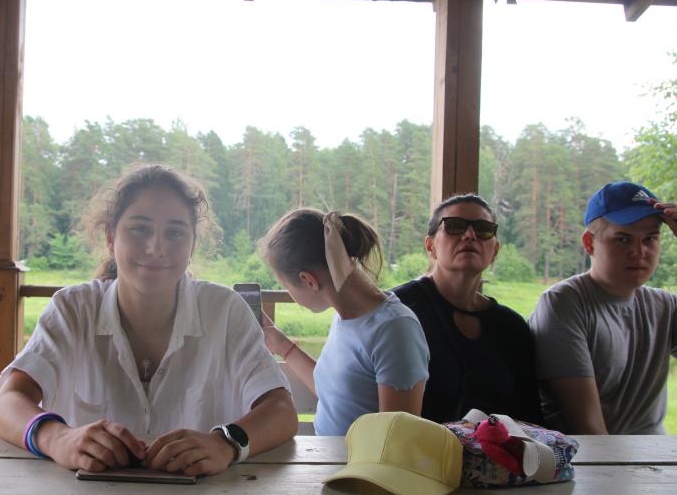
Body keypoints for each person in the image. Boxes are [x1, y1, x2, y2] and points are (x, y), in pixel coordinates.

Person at [0, 164, 297, 476]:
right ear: (111, 238)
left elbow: (280, 409)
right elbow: (8, 402)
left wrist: (226, 443)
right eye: (140, 229)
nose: (156, 248)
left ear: (192, 245)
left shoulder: (225, 311)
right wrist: (58, 438)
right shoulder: (73, 309)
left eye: (175, 233)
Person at [257, 208, 428, 436]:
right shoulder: (344, 317)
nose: (290, 294)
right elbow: (338, 395)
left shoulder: (395, 330)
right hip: (328, 456)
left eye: (286, 286)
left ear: (308, 280)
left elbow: (397, 439)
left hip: (356, 461)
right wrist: (281, 345)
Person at [529, 181, 677, 434]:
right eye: (623, 239)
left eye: (650, 239)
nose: (639, 252)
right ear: (589, 243)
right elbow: (588, 427)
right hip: (592, 456)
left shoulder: (665, 305)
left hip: (656, 454)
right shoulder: (564, 303)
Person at [393, 194, 543, 425]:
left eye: (483, 230)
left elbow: (529, 418)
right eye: (454, 226)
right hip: (414, 446)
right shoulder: (398, 310)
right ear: (430, 246)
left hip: (495, 448)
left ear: (495, 250)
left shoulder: (511, 328)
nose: (470, 235)